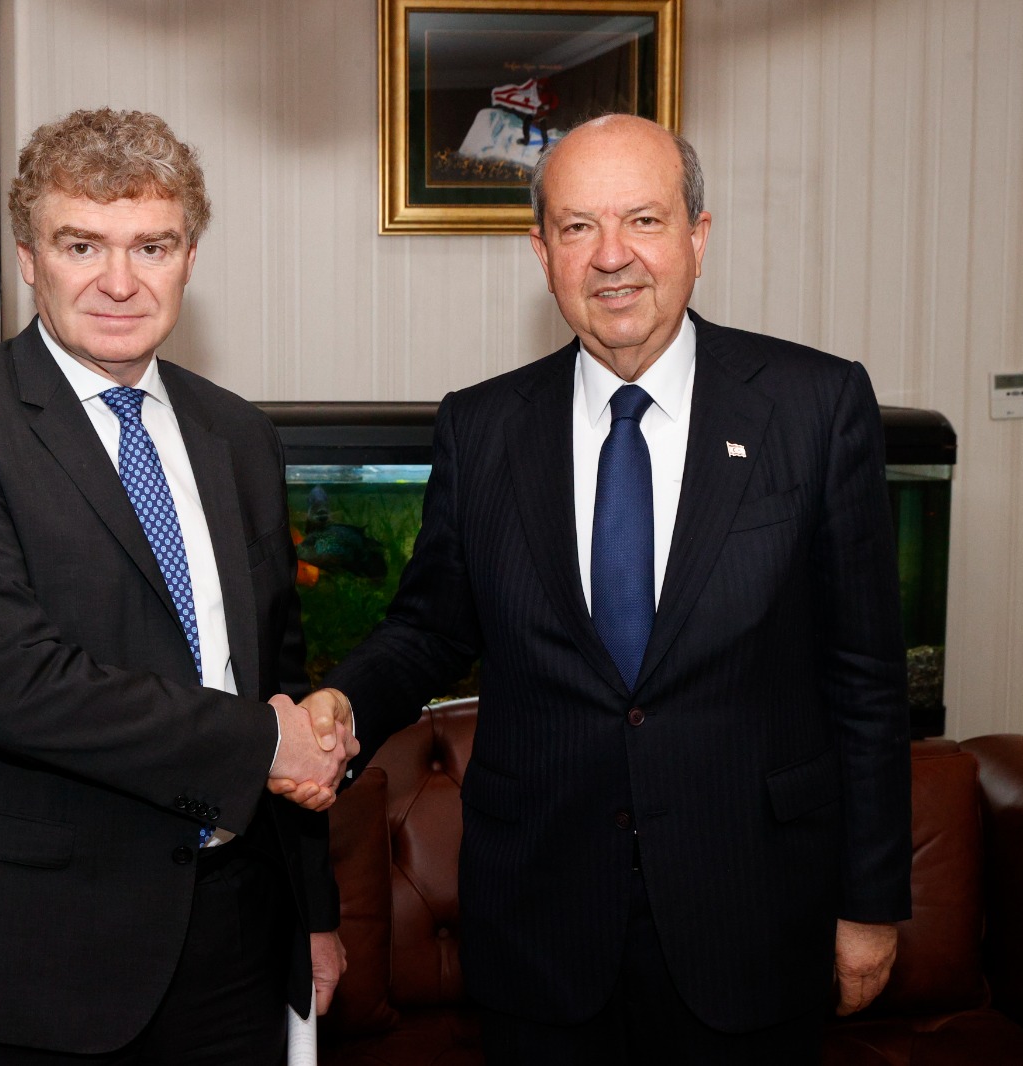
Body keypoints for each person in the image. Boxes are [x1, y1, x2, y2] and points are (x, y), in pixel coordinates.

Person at [291, 114, 911, 1064]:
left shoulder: (814, 407)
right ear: (543, 254)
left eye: (644, 221)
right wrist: (341, 704)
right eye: (578, 227)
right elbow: (428, 627)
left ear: (698, 236)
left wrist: (870, 903)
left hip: (751, 913)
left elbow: (865, 676)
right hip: (541, 925)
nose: (612, 256)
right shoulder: (482, 427)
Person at [0, 107, 354, 1065]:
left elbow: (277, 675)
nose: (121, 281)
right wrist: (268, 742)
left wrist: (313, 914)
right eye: (82, 244)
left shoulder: (240, 435)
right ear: (27, 258)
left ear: (189, 259)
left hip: (237, 935)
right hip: (44, 950)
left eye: (153, 246)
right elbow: (20, 688)